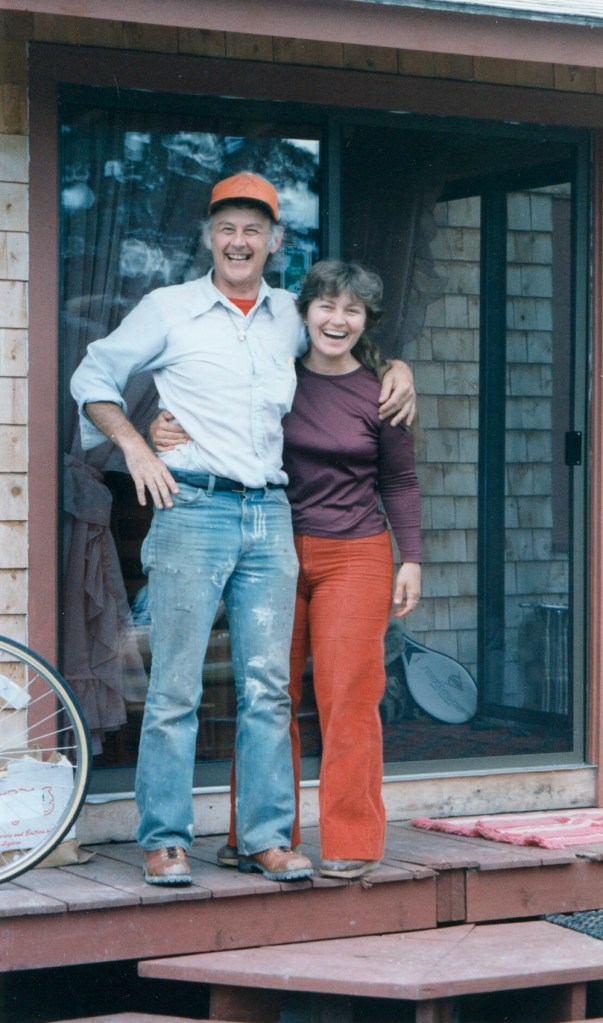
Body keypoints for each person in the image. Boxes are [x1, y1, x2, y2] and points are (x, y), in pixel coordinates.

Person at [71, 171, 416, 886]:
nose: (239, 240)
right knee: (173, 688)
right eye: (226, 227)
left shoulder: (290, 316)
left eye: (253, 229)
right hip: (192, 511)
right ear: (208, 235)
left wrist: (398, 367)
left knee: (266, 688)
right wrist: (137, 441)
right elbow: (92, 377)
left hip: (271, 516)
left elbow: (343, 344)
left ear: (274, 241)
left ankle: (262, 837)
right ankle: (164, 839)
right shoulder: (168, 309)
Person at [153, 259, 421, 881]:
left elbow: (400, 480)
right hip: (271, 547)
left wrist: (413, 559)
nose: (337, 319)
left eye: (352, 310)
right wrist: (157, 425)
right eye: (326, 305)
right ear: (303, 314)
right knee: (267, 696)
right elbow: (207, 416)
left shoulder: (384, 389)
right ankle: (259, 836)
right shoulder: (272, 376)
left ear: (365, 321)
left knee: (349, 696)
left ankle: (353, 839)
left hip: (356, 553)